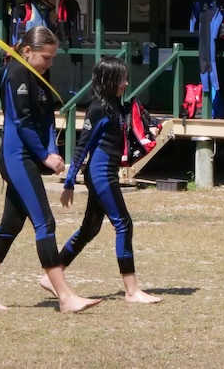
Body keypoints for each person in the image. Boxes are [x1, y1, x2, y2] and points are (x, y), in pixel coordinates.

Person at [0, 26, 100, 314]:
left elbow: (47, 120)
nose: (49, 63)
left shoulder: (41, 75)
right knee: (45, 222)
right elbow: (22, 122)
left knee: (11, 225)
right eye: (46, 57)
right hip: (16, 157)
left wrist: (52, 150)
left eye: (52, 58)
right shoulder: (15, 73)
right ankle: (65, 297)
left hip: (33, 155)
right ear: (28, 52)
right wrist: (44, 156)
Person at [39, 56, 163, 304]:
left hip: (107, 173)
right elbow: (82, 148)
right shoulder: (97, 109)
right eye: (121, 79)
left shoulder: (116, 105)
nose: (126, 83)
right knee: (124, 224)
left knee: (90, 229)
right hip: (100, 174)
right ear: (108, 81)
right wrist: (68, 183)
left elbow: (133, 123)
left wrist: (153, 125)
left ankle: (51, 276)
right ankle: (131, 291)